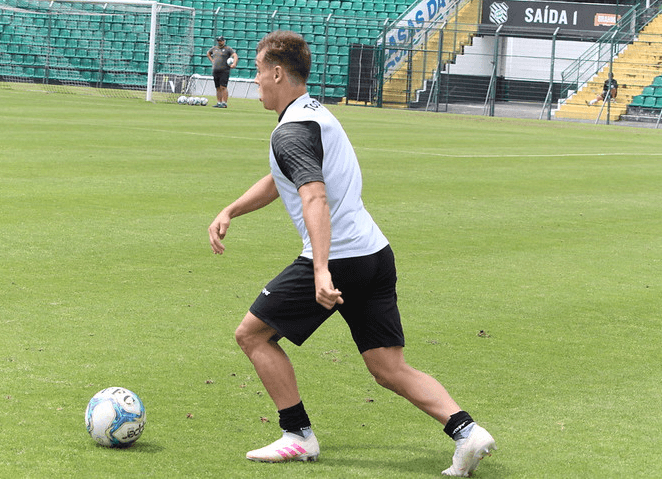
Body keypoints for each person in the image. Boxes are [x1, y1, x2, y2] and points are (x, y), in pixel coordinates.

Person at [208, 30, 496, 477]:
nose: (256, 80)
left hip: (339, 258)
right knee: (387, 366)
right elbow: (282, 178)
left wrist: (321, 270)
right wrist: (232, 210)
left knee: (252, 335)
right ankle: (467, 431)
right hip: (374, 253)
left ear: (278, 73)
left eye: (259, 71)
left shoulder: (290, 131)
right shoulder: (315, 113)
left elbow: (313, 195)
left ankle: (297, 435)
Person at [206, 36, 238, 108]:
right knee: (217, 87)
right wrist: (212, 60)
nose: (219, 42)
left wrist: (234, 63)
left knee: (223, 87)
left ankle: (224, 103)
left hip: (224, 70)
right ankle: (219, 102)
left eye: (220, 41)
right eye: (218, 41)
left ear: (224, 41)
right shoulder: (214, 48)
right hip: (215, 70)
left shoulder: (228, 49)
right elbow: (208, 53)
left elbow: (235, 55)